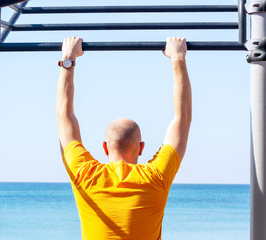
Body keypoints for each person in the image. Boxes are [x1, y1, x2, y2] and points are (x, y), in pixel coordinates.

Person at [56, 37, 192, 240]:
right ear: (141, 148)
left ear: (104, 147)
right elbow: (183, 118)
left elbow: (64, 116)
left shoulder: (85, 175)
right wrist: (178, 58)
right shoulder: (155, 177)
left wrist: (68, 59)